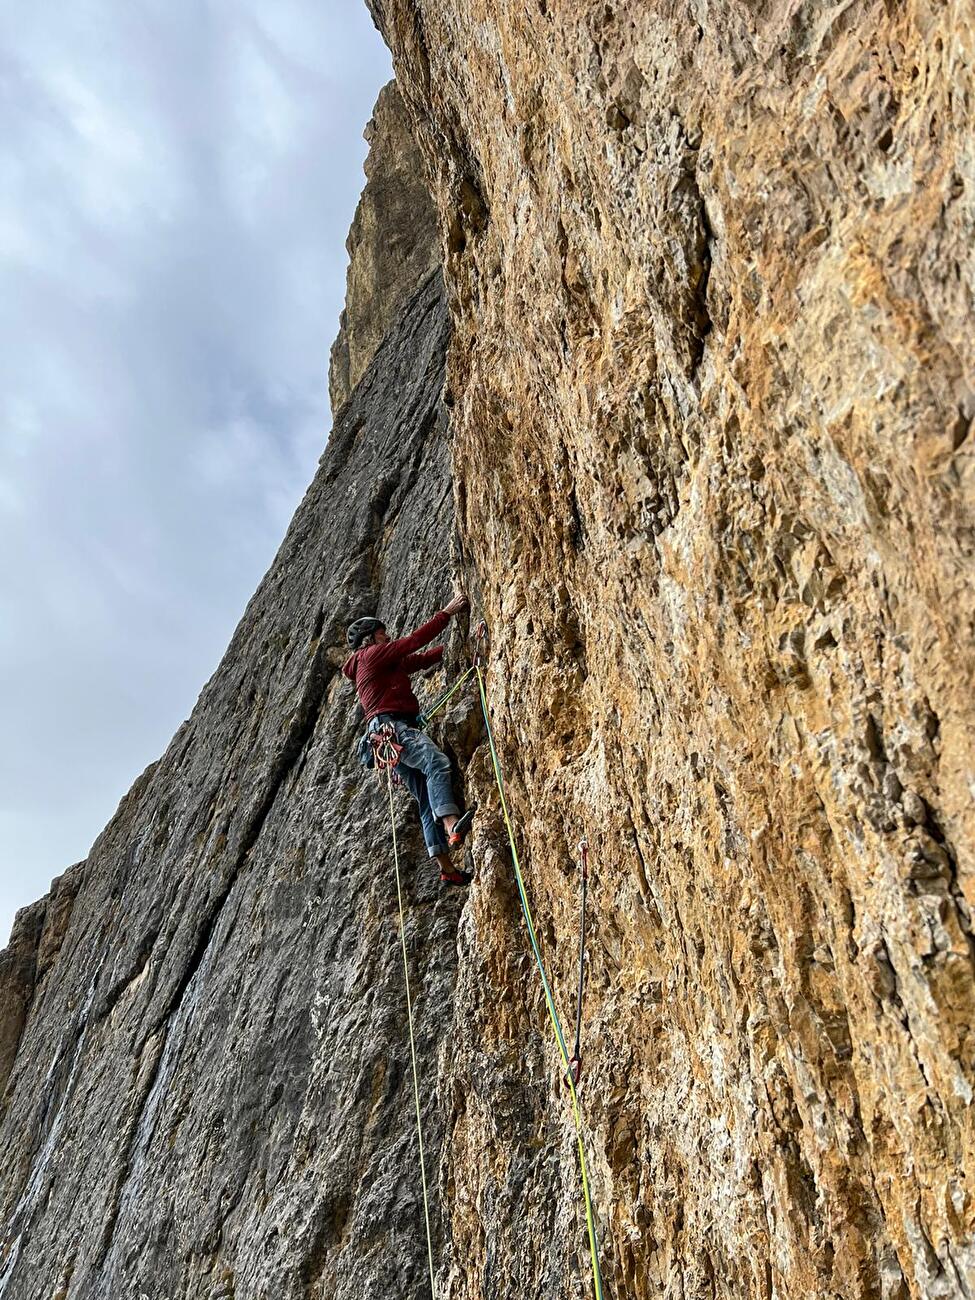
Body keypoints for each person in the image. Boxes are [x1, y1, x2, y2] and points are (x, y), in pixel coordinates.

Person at [343, 594, 476, 886]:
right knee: (435, 762)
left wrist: (464, 640)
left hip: (386, 739)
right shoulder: (369, 656)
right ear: (368, 640)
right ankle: (452, 824)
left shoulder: (385, 664)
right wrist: (447, 613)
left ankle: (447, 868)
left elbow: (424, 657)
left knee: (426, 799)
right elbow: (413, 641)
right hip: (392, 729)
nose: (387, 636)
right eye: (381, 634)